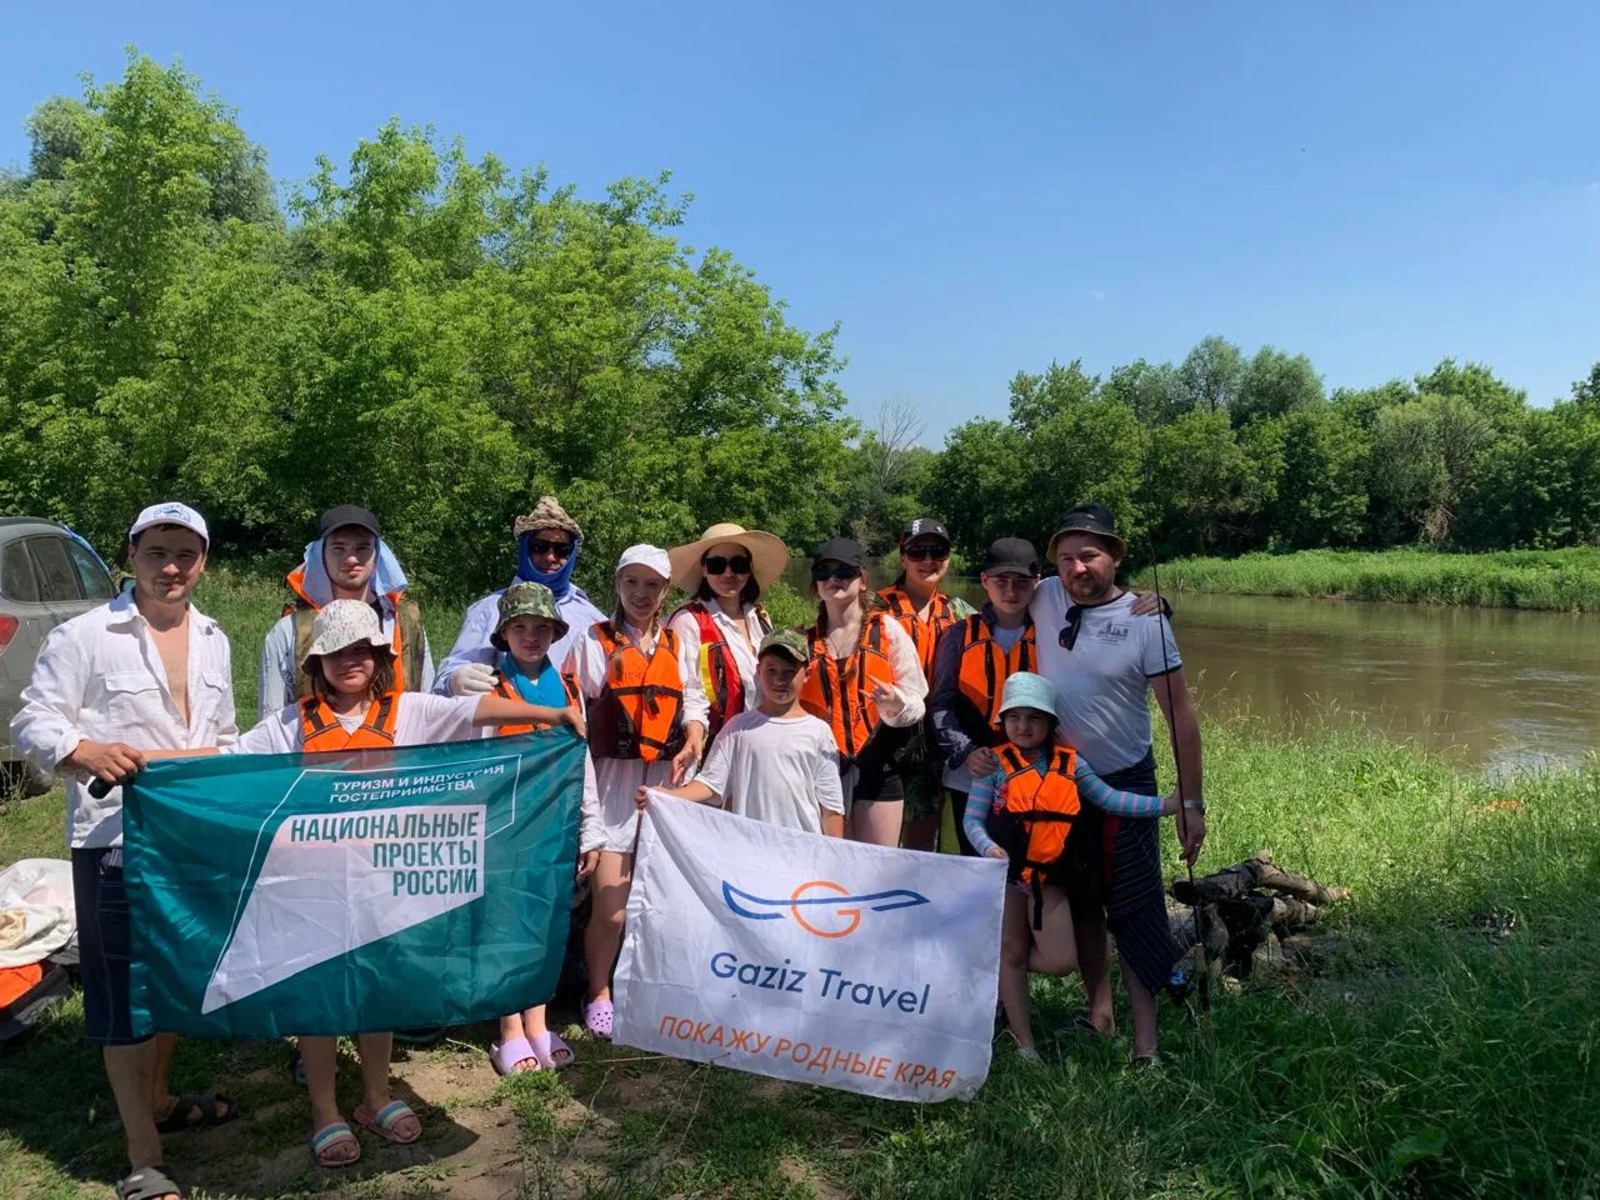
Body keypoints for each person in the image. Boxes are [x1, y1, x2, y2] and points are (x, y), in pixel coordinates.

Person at [215, 600, 584, 1167]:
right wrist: (151, 765)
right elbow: (225, 763)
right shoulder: (290, 724)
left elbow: (473, 711)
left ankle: (377, 1095)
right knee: (318, 997)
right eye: (337, 653)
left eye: (362, 650)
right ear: (317, 663)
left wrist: (551, 716)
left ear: (379, 657)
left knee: (377, 988)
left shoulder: (408, 710)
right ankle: (324, 1111)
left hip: (381, 881)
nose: (351, 661)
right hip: (313, 887)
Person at [9, 502, 240, 1200]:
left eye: (185, 555)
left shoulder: (214, 638)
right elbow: (32, 721)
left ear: (203, 563)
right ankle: (144, 1157)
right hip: (113, 841)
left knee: (172, 978)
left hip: (190, 838)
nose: (171, 568)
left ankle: (160, 1099)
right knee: (121, 996)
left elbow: (225, 736)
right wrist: (83, 750)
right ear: (131, 555)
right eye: (156, 552)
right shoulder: (85, 635)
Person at [1030, 503, 1206, 1064]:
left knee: (1135, 907)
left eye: (1089, 555)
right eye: (1065, 558)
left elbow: (1180, 716)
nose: (1076, 568)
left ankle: (1145, 1044)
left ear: (1115, 556)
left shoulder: (1146, 620)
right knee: (1084, 900)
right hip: (1059, 781)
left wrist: (1191, 802)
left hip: (1126, 781)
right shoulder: (1044, 595)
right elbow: (992, 595)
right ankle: (1099, 1014)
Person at [962, 672, 1179, 1062]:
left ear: (1050, 723)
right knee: (1012, 950)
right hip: (1007, 877)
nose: (1023, 726)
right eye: (1014, 718)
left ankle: (992, 963)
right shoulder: (993, 765)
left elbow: (1111, 800)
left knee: (1060, 960)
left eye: (1034, 718)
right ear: (1003, 721)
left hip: (1051, 880)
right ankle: (1025, 1044)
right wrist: (989, 848)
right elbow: (973, 821)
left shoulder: (1071, 764)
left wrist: (1165, 805)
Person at [568, 545, 708, 1040]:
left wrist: (694, 734)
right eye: (632, 582)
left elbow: (694, 698)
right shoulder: (593, 641)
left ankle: (648, 986)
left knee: (657, 903)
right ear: (617, 585)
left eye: (652, 585)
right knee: (612, 908)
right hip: (611, 788)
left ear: (665, 591)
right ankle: (598, 991)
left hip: (664, 785)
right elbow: (577, 715)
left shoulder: (678, 642)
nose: (641, 594)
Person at [479, 582, 599, 1076]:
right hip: (506, 827)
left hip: (556, 823)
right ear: (504, 633)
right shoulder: (488, 688)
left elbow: (582, 760)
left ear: (555, 633)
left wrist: (591, 829)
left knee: (546, 925)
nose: (531, 636)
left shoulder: (568, 686)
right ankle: (509, 1028)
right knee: (506, 926)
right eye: (520, 627)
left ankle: (539, 1022)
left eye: (542, 628)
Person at [641, 630, 845, 836]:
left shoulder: (819, 732)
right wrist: (668, 796)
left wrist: (833, 851)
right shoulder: (738, 728)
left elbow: (831, 806)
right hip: (749, 846)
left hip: (801, 848)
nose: (779, 679)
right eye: (771, 670)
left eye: (789, 671)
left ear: (807, 674)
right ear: (758, 671)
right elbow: (711, 783)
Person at [797, 537, 927, 846]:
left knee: (877, 866)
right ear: (815, 584)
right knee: (829, 864)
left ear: (863, 580)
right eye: (824, 572)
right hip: (822, 768)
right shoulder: (802, 641)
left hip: (879, 764)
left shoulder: (888, 630)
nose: (833, 579)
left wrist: (895, 705)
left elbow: (917, 699)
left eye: (844, 571)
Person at [259, 505, 433, 716]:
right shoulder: (289, 632)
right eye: (339, 548)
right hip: (317, 737)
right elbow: (271, 718)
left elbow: (428, 705)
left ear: (378, 554)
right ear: (320, 554)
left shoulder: (406, 622)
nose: (351, 559)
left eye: (362, 548)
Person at [929, 537, 1041, 856]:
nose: (1011, 591)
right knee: (967, 864)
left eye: (1021, 582)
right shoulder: (959, 634)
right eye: (1001, 581)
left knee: (1022, 866)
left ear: (1036, 582)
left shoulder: (1050, 633)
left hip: (1030, 773)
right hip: (970, 773)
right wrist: (966, 751)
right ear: (984, 581)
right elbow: (940, 704)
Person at [435, 496, 605, 698]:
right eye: (540, 546)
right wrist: (453, 680)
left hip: (574, 716)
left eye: (562, 550)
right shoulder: (490, 609)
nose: (550, 557)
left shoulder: (591, 616)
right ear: (525, 548)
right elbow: (455, 669)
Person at [877, 518, 974, 851]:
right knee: (876, 841)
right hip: (885, 737)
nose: (928, 560)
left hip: (935, 740)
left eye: (938, 551)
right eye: (918, 552)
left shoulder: (960, 612)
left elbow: (1011, 614)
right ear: (902, 557)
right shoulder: (874, 608)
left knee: (922, 839)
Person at [665, 522, 788, 747]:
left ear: (749, 568)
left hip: (763, 740)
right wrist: (694, 735)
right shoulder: (688, 621)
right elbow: (689, 691)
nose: (729, 573)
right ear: (704, 569)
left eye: (739, 564)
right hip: (716, 746)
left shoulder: (760, 617)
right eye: (717, 565)